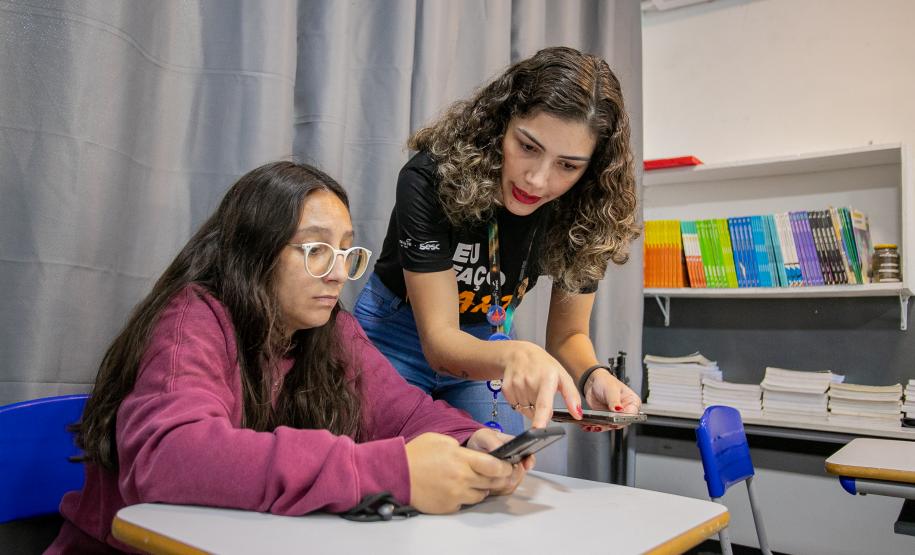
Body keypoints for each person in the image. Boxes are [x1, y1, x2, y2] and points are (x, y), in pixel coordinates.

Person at [47, 161, 528, 553]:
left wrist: (471, 440)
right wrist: (387, 472)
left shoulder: (331, 329)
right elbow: (169, 458)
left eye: (346, 252)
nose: (338, 273)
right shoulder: (193, 318)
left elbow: (408, 413)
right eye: (316, 250)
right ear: (254, 250)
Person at [353, 46, 642, 435]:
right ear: (501, 122)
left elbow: (569, 334)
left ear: (593, 167)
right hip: (397, 332)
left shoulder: (587, 210)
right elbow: (439, 343)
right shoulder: (429, 178)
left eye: (568, 165)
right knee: (394, 466)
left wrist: (593, 375)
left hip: (488, 339)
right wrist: (515, 356)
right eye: (527, 147)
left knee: (502, 464)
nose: (537, 180)